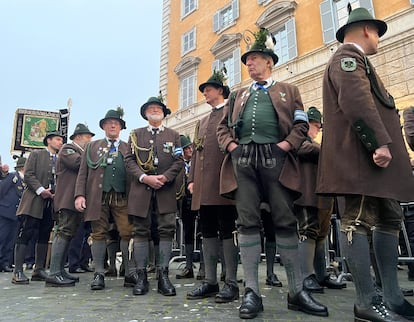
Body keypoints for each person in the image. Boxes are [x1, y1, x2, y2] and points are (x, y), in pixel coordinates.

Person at [217, 28, 328, 319]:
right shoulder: (238, 95)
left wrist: (284, 145)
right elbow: (223, 127)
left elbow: (301, 126)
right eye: (248, 61)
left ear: (269, 61)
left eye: (254, 59)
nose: (249, 64)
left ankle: (296, 291)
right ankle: (251, 291)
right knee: (248, 222)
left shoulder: (289, 91)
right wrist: (231, 146)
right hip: (243, 161)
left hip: (276, 160)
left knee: (285, 220)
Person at [317, 7, 414, 321]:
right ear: (367, 30)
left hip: (373, 165)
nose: (378, 40)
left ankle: (392, 297)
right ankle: (365, 301)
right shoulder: (348, 56)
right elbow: (356, 99)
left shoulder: (358, 60)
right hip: (361, 159)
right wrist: (379, 142)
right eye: (377, 33)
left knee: (388, 218)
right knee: (357, 222)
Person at [186, 70, 240, 304]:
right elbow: (197, 153)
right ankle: (210, 281)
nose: (205, 92)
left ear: (220, 91)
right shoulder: (203, 121)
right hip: (204, 186)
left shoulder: (232, 112)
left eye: (209, 88)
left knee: (228, 230)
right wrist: (190, 180)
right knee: (207, 230)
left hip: (226, 182)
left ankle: (231, 282)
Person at [125, 96, 183, 297]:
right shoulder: (135, 134)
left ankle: (163, 276)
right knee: (140, 231)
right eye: (151, 108)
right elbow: (129, 161)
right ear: (145, 113)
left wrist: (165, 178)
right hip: (141, 190)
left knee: (166, 230)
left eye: (158, 108)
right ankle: (141, 277)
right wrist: (144, 177)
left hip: (165, 190)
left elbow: (179, 160)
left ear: (164, 113)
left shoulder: (174, 135)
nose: (155, 110)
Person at [74, 109, 136, 291]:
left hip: (122, 196)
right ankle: (99, 274)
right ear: (103, 126)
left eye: (116, 123)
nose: (112, 125)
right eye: (109, 123)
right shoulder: (91, 147)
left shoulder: (128, 147)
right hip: (97, 197)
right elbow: (82, 173)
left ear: (121, 127)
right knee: (98, 233)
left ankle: (129, 272)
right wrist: (79, 195)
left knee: (127, 232)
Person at [295, 107, 346, 293]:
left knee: (321, 236)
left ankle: (321, 274)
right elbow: (301, 148)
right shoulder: (300, 140)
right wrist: (328, 150)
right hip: (307, 195)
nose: (317, 130)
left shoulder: (315, 144)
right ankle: (306, 276)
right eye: (316, 126)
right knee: (308, 232)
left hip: (323, 196)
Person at [44, 123, 94, 286]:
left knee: (69, 234)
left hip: (74, 200)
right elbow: (78, 163)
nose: (90, 140)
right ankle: (54, 272)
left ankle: (60, 270)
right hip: (67, 199)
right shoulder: (68, 149)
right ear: (78, 137)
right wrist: (94, 155)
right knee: (64, 231)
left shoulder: (79, 150)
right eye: (88, 137)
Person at [12, 131, 64, 284]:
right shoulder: (36, 154)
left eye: (61, 140)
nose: (60, 142)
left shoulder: (60, 159)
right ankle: (18, 271)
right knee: (26, 233)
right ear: (49, 141)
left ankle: (39, 269)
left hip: (50, 203)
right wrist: (41, 190)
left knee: (44, 233)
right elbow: (28, 175)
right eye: (57, 139)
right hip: (34, 201)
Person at [175, 135, 200, 279]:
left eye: (191, 147)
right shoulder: (179, 164)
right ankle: (189, 266)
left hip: (199, 199)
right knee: (188, 233)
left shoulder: (197, 163)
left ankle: (204, 267)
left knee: (203, 232)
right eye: (187, 148)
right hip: (184, 201)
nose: (190, 150)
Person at [0, 156, 26, 272]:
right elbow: (2, 190)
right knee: (2, 238)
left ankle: (6, 262)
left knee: (11, 240)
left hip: (16, 214)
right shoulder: (12, 177)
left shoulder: (25, 180)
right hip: (5, 212)